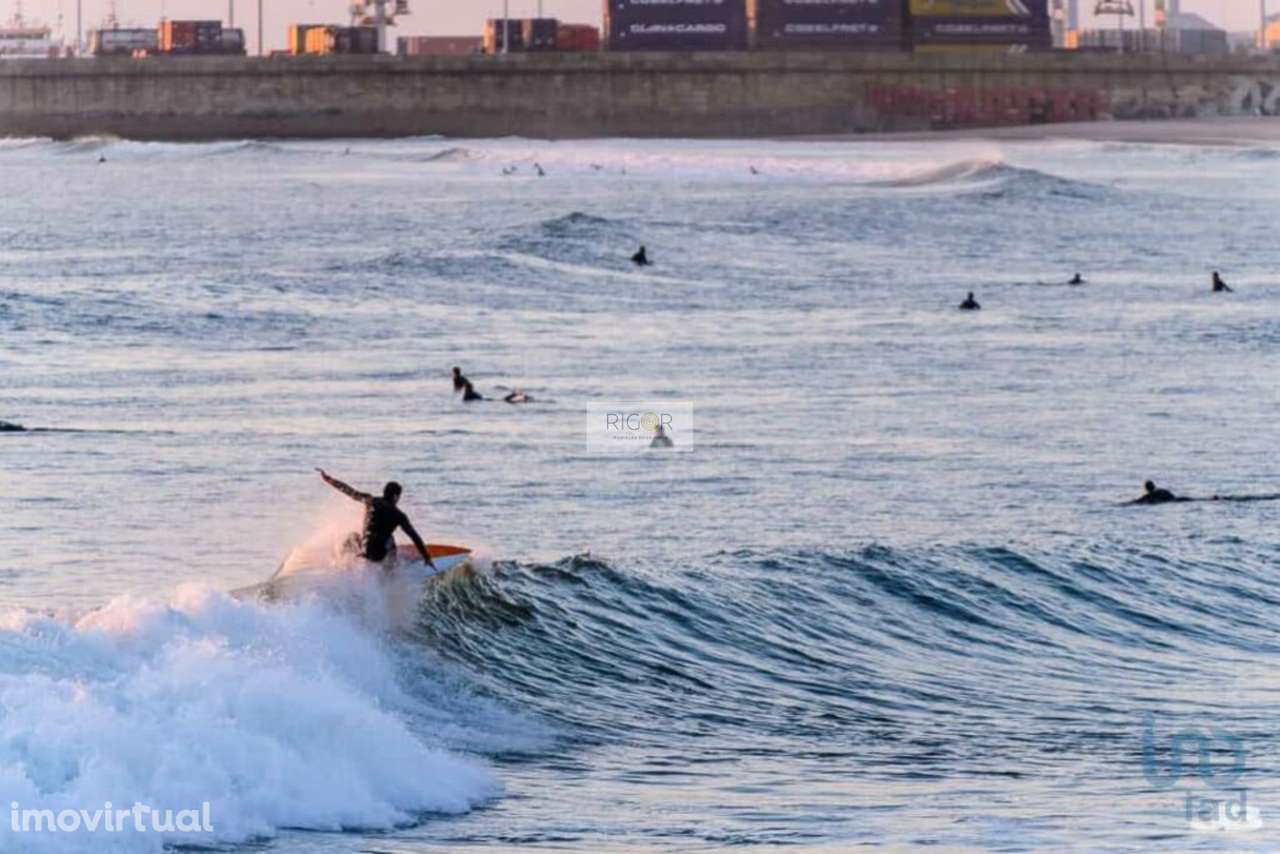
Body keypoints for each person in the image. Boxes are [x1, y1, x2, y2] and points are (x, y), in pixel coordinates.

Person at [317, 469, 436, 571]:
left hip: (364, 550)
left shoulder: (370, 500)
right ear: (395, 496)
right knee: (390, 538)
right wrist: (427, 557)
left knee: (353, 536)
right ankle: (391, 570)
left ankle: (341, 564)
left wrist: (329, 479)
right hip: (378, 555)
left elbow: (349, 491)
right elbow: (414, 536)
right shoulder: (399, 515)